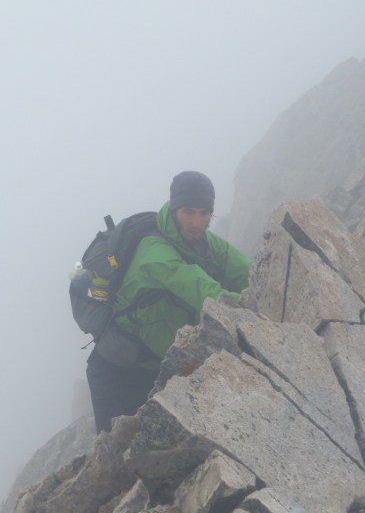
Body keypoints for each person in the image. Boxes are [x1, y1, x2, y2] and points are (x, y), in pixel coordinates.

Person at [85, 171, 250, 433]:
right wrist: (246, 308)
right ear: (174, 210)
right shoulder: (154, 251)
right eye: (189, 211)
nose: (197, 222)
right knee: (118, 463)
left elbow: (242, 269)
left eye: (204, 213)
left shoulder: (203, 241)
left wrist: (266, 286)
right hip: (116, 374)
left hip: (158, 370)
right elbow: (197, 285)